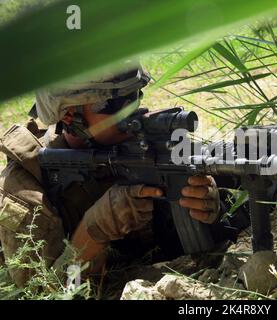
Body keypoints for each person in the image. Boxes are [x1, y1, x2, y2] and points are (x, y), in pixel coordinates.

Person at [0, 63, 247, 288]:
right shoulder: (27, 187)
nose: (131, 112)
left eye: (134, 97)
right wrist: (94, 230)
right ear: (69, 115)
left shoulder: (146, 147)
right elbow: (43, 291)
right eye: (114, 105)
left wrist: (205, 205)